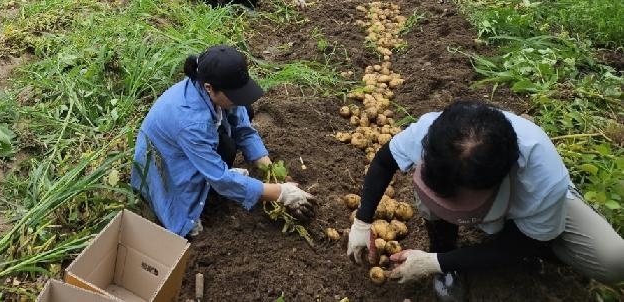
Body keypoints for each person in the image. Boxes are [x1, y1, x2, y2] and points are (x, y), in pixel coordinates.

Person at [347, 100, 624, 300]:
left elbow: (519, 246)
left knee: (613, 260)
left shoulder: (543, 177)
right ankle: (444, 247)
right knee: (435, 209)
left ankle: (545, 236)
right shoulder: (435, 134)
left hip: (528, 213)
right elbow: (385, 161)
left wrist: (436, 263)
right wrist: (362, 221)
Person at [132, 45, 316, 238]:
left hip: (187, 145)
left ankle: (212, 179)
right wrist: (280, 193)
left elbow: (244, 131)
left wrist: (272, 174)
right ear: (209, 88)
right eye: (234, 95)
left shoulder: (214, 89)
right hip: (164, 166)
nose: (238, 100)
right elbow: (219, 178)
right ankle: (191, 200)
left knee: (240, 122)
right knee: (222, 159)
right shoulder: (192, 122)